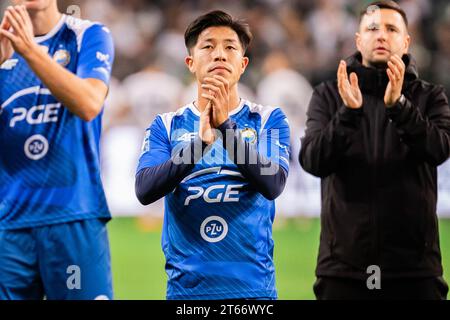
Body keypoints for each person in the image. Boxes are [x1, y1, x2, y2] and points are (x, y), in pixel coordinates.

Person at [299, 0, 450, 300]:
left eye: (391, 29)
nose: (381, 35)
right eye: (372, 28)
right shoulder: (329, 95)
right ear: (358, 40)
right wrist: (349, 113)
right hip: (343, 271)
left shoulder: (430, 96)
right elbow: (313, 160)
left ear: (406, 42)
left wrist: (400, 108)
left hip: (414, 271)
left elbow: (439, 149)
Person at [135, 10, 290, 300]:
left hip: (253, 292)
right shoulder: (166, 125)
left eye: (230, 47)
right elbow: (145, 189)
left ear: (243, 65)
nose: (219, 55)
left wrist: (226, 130)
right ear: (190, 63)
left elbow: (273, 183)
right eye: (208, 46)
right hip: (187, 294)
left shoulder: (268, 119)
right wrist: (198, 145)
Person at [0, 0, 114, 299]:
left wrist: (30, 52)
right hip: (9, 224)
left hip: (73, 214)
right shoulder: (2, 49)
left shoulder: (87, 35)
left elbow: (89, 103)